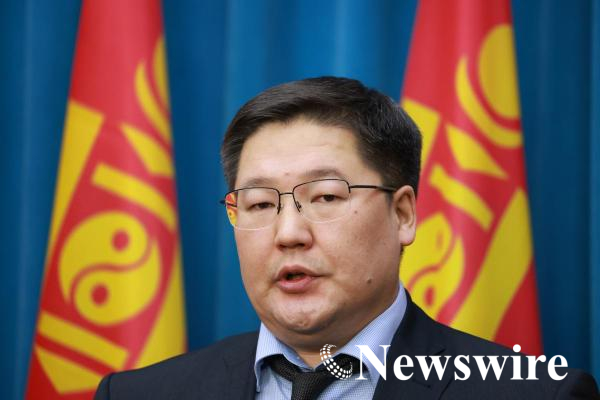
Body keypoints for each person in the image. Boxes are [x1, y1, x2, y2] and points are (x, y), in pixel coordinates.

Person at [94, 77, 598, 399]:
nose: (288, 233)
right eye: (261, 204)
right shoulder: (141, 394)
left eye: (326, 197)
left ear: (403, 215)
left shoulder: (533, 395)